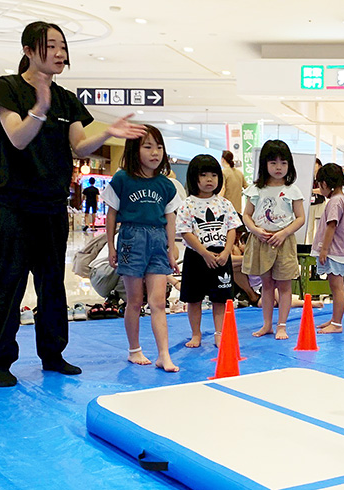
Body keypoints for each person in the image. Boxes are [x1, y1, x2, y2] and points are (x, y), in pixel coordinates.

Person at [0, 21, 146, 388]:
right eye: (51, 46)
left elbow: (79, 146)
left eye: (62, 47)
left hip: (51, 208)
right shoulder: (6, 87)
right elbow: (18, 138)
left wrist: (106, 133)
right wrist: (39, 106)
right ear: (28, 50)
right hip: (12, 207)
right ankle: (0, 362)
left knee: (52, 286)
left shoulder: (67, 98)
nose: (60, 54)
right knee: (7, 285)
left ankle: (53, 354)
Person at [104, 125, 182, 371]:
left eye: (159, 147)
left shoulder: (166, 185)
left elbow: (171, 218)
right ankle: (134, 350)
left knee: (158, 301)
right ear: (134, 149)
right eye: (147, 146)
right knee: (135, 301)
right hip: (131, 238)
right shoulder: (122, 179)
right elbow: (111, 214)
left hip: (157, 239)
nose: (155, 152)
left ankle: (163, 354)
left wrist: (171, 248)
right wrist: (110, 247)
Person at [241, 139, 305, 340]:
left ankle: (282, 325)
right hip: (261, 240)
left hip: (283, 242)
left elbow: (301, 217)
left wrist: (284, 233)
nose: (279, 167)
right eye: (273, 162)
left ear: (290, 165)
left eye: (283, 163)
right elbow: (247, 215)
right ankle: (267, 324)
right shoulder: (256, 189)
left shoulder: (292, 189)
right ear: (264, 164)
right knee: (266, 285)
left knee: (284, 286)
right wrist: (255, 231)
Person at [176, 155, 241, 348]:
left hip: (221, 256)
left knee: (220, 299)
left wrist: (227, 252)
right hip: (196, 256)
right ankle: (195, 334)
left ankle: (219, 333)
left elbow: (232, 228)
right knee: (193, 299)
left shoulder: (224, 203)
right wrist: (204, 252)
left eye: (214, 174)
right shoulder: (187, 203)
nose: (209, 179)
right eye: (203, 175)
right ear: (194, 178)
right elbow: (185, 232)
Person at [311, 163, 344, 334]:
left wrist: (324, 249)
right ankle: (335, 318)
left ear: (325, 184)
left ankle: (338, 323)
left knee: (337, 287)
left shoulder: (335, 201)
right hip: (335, 251)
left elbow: (331, 226)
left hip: (334, 251)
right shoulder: (340, 199)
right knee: (335, 286)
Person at [220, 150, 247, 214]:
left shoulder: (223, 172)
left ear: (223, 160)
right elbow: (247, 187)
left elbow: (222, 189)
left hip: (226, 209)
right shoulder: (239, 173)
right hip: (238, 209)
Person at [306, 158, 326, 243]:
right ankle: (309, 246)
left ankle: (319, 244)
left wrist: (311, 190)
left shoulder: (322, 177)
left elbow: (323, 191)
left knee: (319, 226)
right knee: (309, 228)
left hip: (320, 203)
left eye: (316, 164)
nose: (314, 166)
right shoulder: (308, 176)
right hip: (310, 205)